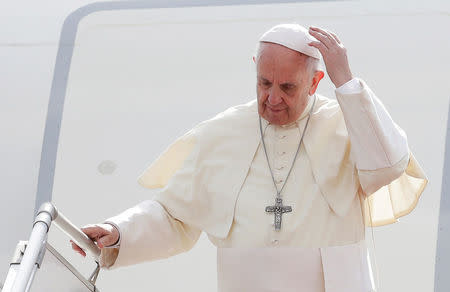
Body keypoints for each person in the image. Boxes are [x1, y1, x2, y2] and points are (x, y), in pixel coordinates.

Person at [71, 24, 427, 292]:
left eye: (287, 87)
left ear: (316, 81)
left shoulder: (348, 125)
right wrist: (118, 232)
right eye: (263, 83)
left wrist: (347, 82)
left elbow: (387, 165)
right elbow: (174, 215)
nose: (272, 98)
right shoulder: (225, 132)